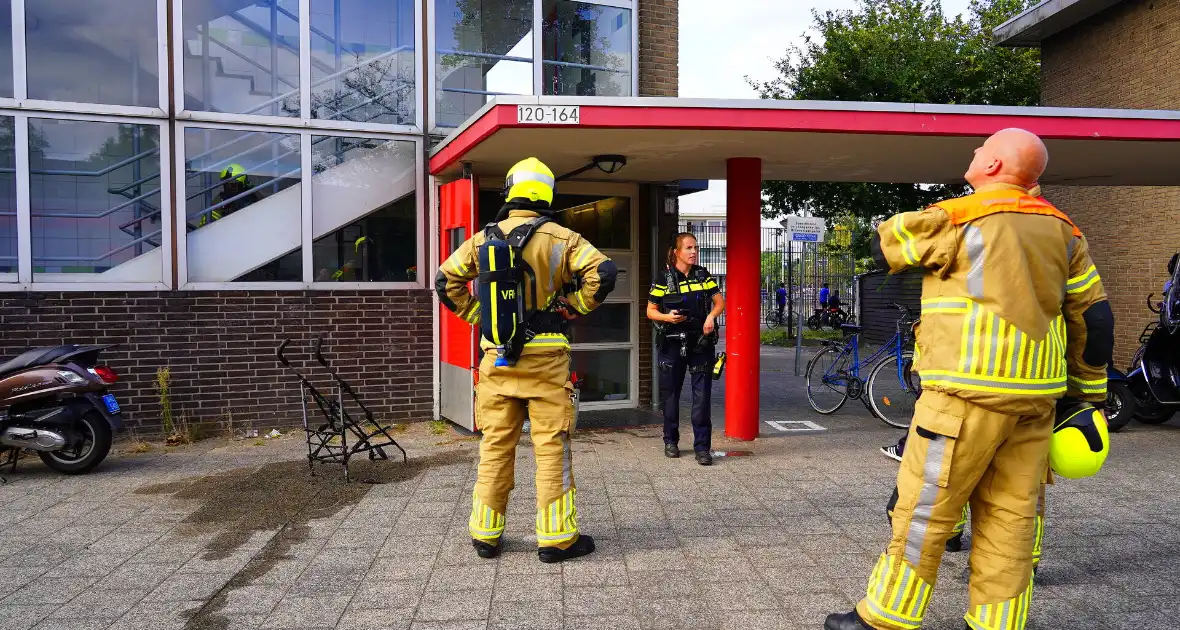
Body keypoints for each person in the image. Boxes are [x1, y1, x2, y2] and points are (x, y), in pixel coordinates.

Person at [825, 128, 1113, 630]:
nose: (974, 153)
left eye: (982, 148)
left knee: (923, 513)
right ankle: (996, 623)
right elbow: (1095, 318)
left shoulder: (958, 215)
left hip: (962, 398)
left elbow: (883, 246)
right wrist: (1086, 395)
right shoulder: (1067, 231)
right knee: (1012, 520)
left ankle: (886, 617)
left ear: (996, 166)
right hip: (1034, 403)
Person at [435, 157, 618, 563]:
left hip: (496, 360)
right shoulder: (563, 237)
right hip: (548, 359)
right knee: (551, 447)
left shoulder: (483, 239)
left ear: (510, 190)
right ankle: (556, 540)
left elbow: (444, 280)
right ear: (546, 193)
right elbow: (604, 272)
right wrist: (575, 305)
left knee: (495, 446)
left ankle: (485, 535)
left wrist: (480, 318)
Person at [647, 233, 726, 465]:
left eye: (696, 248)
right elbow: (650, 311)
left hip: (700, 343)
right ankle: (670, 441)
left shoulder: (703, 275)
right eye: (689, 248)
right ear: (676, 252)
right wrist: (666, 317)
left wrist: (711, 316)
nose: (694, 252)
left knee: (702, 398)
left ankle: (703, 448)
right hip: (672, 343)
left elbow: (720, 302)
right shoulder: (663, 278)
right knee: (671, 396)